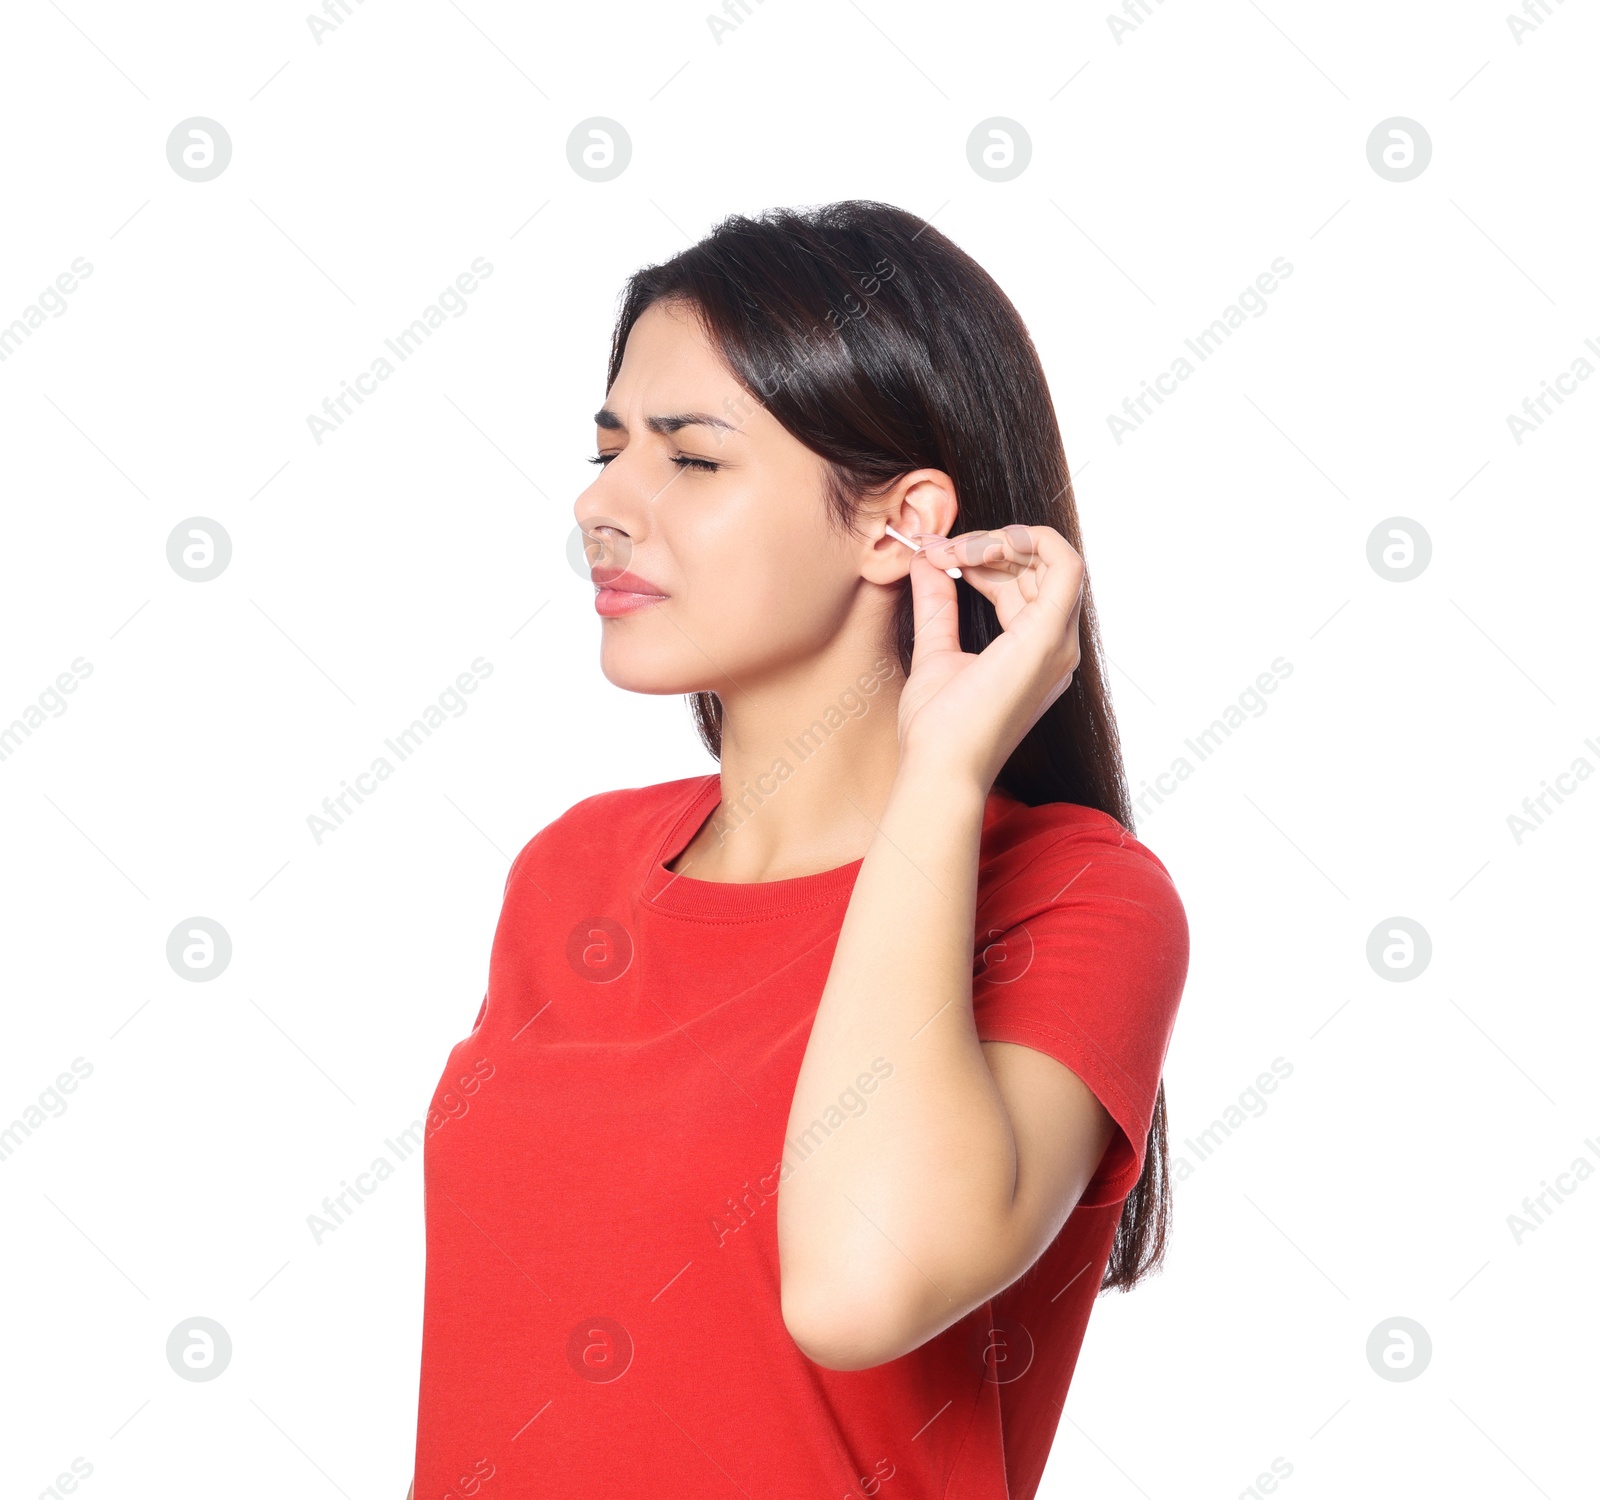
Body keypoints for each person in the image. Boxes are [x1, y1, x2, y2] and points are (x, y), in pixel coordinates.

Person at [409, 201, 1189, 1500]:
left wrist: (945, 770)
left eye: (690, 460)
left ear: (898, 526)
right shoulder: (572, 875)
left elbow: (857, 1286)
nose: (601, 503)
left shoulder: (1081, 898)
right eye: (606, 449)